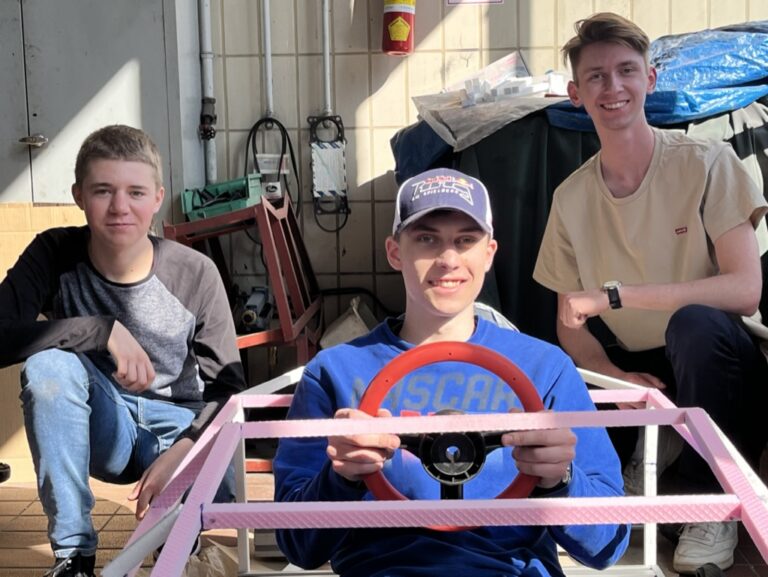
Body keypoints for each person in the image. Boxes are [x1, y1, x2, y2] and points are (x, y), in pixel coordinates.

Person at [273, 167, 630, 577]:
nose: (448, 260)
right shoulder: (334, 371)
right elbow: (297, 544)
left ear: (489, 254)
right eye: (427, 239)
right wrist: (341, 478)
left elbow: (607, 544)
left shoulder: (546, 368)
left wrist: (560, 479)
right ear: (394, 251)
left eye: (465, 240)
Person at [533, 13, 768, 574]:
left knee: (694, 323)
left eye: (626, 71)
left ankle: (711, 501)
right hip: (642, 366)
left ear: (650, 80)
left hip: (725, 359)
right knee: (560, 377)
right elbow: (569, 322)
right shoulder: (570, 198)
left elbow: (745, 289)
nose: (612, 87)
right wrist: (615, 378)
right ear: (575, 94)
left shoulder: (707, 162)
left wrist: (616, 296)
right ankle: (647, 452)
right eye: (596, 76)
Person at [0, 125, 246, 577]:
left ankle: (175, 540)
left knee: (177, 554)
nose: (119, 207)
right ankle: (74, 557)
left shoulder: (196, 273)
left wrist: (184, 451)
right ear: (78, 196)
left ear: (157, 198)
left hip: (179, 427)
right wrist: (99, 330)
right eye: (102, 191)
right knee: (49, 366)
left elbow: (228, 391)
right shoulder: (54, 252)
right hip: (105, 424)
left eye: (135, 192)